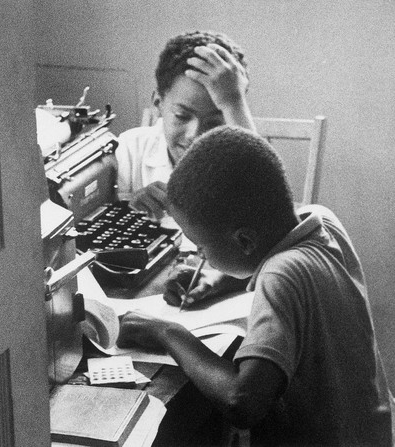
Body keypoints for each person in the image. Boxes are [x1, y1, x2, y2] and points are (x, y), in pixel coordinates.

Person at [118, 126, 393, 446]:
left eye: (202, 248)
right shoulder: (321, 220)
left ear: (245, 240)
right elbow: (281, 253)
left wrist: (168, 333)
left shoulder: (280, 278)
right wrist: (219, 280)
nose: (201, 259)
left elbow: (242, 401)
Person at [115, 30, 254, 222]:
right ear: (158, 103)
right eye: (181, 116)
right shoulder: (130, 149)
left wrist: (234, 102)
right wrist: (128, 210)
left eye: (214, 123)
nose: (194, 134)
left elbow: (264, 202)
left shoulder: (243, 162)